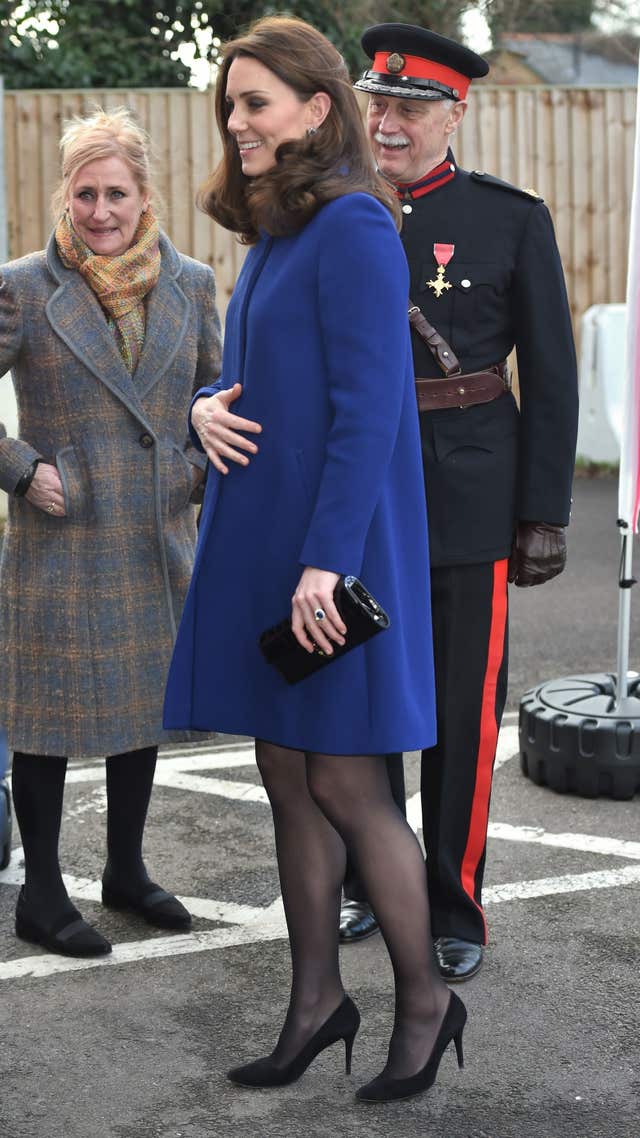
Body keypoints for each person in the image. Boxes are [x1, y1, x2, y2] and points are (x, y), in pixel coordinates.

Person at [164, 15, 465, 1105]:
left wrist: (325, 566)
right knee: (284, 768)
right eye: (229, 105)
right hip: (267, 538)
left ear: (315, 109)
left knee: (342, 773)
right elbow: (247, 374)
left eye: (254, 102)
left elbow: (369, 406)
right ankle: (313, 1002)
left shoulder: (351, 226)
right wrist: (204, 409)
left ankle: (424, 998)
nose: (235, 121)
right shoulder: (278, 230)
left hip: (322, 552)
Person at [338, 24, 579, 980]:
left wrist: (545, 510)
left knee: (459, 710)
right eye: (378, 103)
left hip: (469, 492)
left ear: (454, 114)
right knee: (362, 699)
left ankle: (453, 901)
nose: (387, 121)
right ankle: (369, 877)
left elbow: (551, 373)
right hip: (357, 497)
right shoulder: (334, 212)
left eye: (409, 106)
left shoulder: (508, 218)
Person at [0, 107, 222, 957]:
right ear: (64, 191)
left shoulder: (192, 282)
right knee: (46, 717)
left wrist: (192, 471)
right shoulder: (23, 285)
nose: (100, 212)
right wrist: (22, 468)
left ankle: (126, 870)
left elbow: (219, 398)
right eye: (85, 193)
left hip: (154, 531)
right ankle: (44, 893)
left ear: (144, 195)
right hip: (62, 533)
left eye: (117, 193)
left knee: (141, 707)